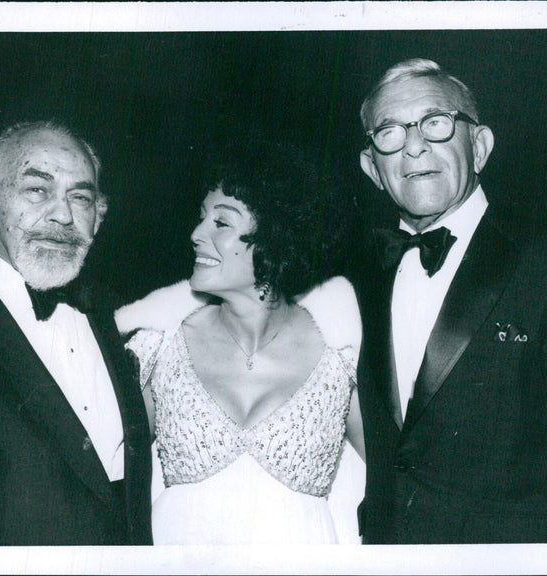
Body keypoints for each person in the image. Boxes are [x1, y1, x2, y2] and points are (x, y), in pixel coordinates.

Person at [352, 58, 547, 544]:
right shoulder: (349, 280)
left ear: (479, 146)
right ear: (372, 167)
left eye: (435, 124)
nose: (414, 145)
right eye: (390, 132)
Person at [0, 121, 152, 545]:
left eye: (80, 196)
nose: (63, 214)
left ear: (99, 216)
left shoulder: (112, 311)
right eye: (37, 190)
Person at [116, 140, 365, 544]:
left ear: (278, 236)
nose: (196, 234)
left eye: (221, 222)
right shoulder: (158, 346)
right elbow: (106, 480)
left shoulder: (342, 355)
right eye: (201, 218)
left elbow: (403, 483)